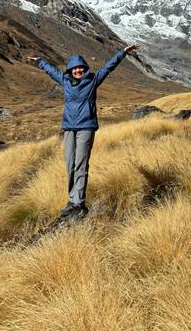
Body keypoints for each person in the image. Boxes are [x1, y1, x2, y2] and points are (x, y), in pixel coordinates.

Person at [27, 45, 139, 219]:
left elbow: (109, 67)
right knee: (69, 164)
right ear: (70, 70)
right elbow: (51, 71)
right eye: (74, 68)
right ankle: (72, 199)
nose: (78, 70)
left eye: (80, 67)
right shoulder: (64, 80)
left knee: (80, 164)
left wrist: (123, 52)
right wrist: (40, 62)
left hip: (86, 127)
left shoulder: (93, 80)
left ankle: (79, 201)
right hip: (69, 128)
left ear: (85, 68)